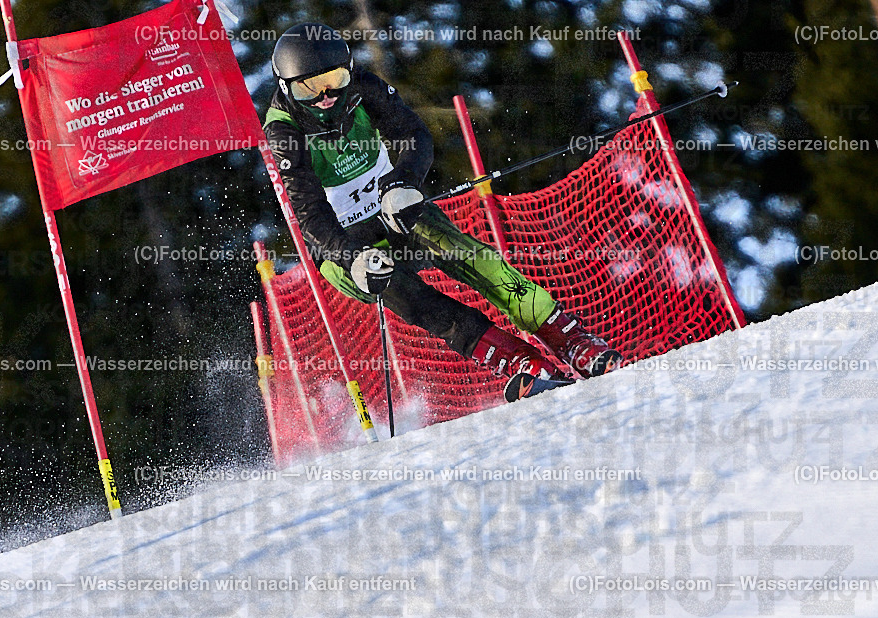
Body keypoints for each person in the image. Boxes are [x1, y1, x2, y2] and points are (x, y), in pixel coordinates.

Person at [263, 23, 622, 401]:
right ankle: (523, 362)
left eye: (334, 79)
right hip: (342, 245)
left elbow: (413, 133)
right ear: (287, 87)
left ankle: (573, 341)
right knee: (416, 301)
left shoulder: (362, 86)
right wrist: (351, 258)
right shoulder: (284, 131)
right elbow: (309, 213)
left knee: (475, 259)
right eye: (308, 88)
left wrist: (403, 182)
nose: (325, 95)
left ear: (349, 69)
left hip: (393, 210)